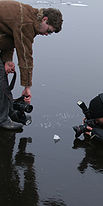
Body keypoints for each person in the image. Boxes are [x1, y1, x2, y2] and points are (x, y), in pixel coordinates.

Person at [0, 1, 63, 130]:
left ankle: (10, 112)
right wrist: (27, 86)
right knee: (0, 78)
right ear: (45, 19)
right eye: (49, 31)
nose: (46, 34)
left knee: (3, 74)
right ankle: (2, 119)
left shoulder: (31, 16)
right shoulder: (27, 23)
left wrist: (7, 60)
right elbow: (25, 56)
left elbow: (12, 37)